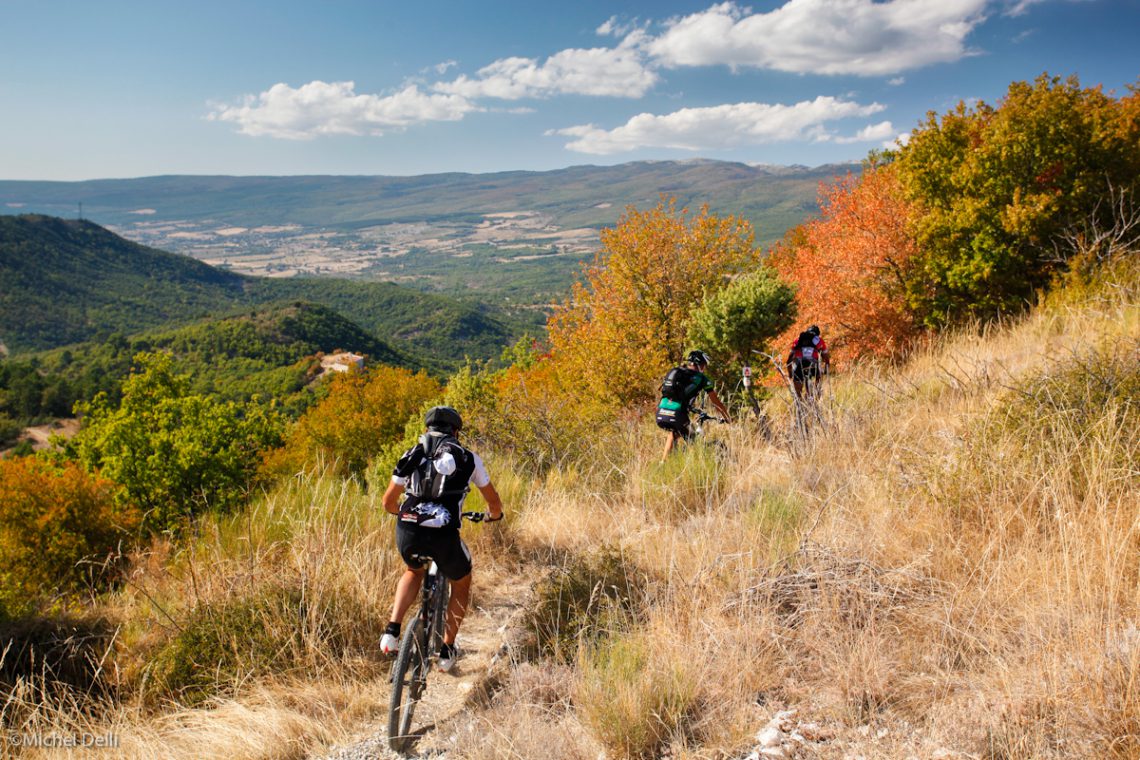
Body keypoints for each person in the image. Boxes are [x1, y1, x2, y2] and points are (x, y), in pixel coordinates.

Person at [379, 405, 503, 672]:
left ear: (426, 429)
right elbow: (494, 503)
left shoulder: (410, 454)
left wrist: (401, 514)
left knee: (413, 570)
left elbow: (388, 501)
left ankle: (392, 631)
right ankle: (447, 651)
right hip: (444, 536)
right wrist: (492, 516)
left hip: (408, 531)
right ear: (456, 432)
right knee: (461, 582)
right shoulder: (469, 459)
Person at [656, 350, 731, 459]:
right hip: (677, 414)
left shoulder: (678, 372)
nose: (704, 368)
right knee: (694, 442)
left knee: (674, 433)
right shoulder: (702, 379)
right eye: (704, 365)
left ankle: (663, 463)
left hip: (660, 412)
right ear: (700, 364)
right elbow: (716, 402)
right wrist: (727, 417)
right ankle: (691, 468)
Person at [786, 325, 830, 400]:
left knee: (798, 393)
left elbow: (789, 359)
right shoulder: (819, 340)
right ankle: (815, 394)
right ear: (817, 334)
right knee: (818, 379)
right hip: (812, 364)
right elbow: (826, 357)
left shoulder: (798, 340)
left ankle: (799, 405)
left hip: (799, 364)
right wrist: (826, 367)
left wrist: (790, 373)